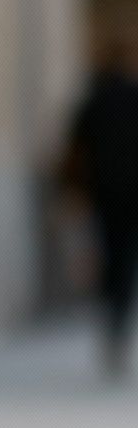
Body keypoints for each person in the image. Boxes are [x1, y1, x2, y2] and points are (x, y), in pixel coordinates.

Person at [60, 24, 138, 381]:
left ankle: (113, 320)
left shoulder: (95, 97)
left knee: (112, 255)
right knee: (124, 260)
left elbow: (76, 148)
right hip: (127, 192)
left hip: (105, 192)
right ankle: (116, 320)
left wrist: (74, 191)